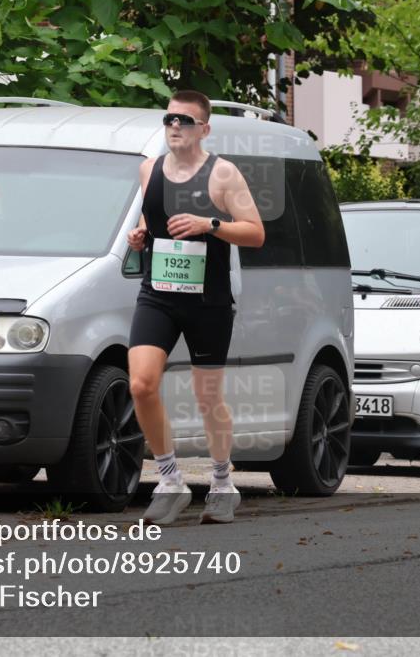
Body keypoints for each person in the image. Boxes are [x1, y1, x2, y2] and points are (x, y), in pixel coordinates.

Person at [127, 90, 265, 526]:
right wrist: (140, 235)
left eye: (184, 120)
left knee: (207, 396)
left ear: (204, 129)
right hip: (158, 293)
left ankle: (222, 482)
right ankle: (170, 479)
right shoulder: (149, 170)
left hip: (208, 300)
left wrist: (211, 224)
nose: (174, 126)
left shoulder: (223, 174)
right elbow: (153, 217)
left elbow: (255, 232)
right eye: (169, 119)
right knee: (141, 384)